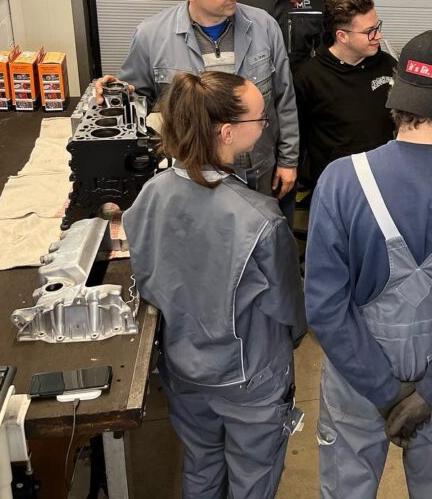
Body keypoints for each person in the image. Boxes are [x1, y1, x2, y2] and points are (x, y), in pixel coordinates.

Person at [305, 30, 432, 498]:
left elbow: (324, 307)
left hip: (357, 381)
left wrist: (384, 392)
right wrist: (428, 393)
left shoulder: (342, 180)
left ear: (397, 88)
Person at [123, 71, 306, 499]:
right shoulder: (261, 220)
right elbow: (288, 309)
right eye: (260, 119)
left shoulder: (150, 194)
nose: (266, 125)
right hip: (248, 377)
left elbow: (146, 275)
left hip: (183, 367)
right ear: (226, 132)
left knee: (202, 462)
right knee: (253, 475)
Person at [94, 0, 299, 216]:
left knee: (260, 234)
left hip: (256, 171)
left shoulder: (264, 26)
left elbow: (285, 98)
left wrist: (288, 160)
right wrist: (115, 92)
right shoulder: (151, 36)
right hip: (192, 177)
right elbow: (135, 102)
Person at [293, 0, 395, 191]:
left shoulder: (388, 66)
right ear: (342, 36)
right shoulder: (309, 77)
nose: (378, 36)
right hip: (336, 185)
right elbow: (297, 136)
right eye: (369, 31)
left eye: (377, 27)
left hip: (383, 179)